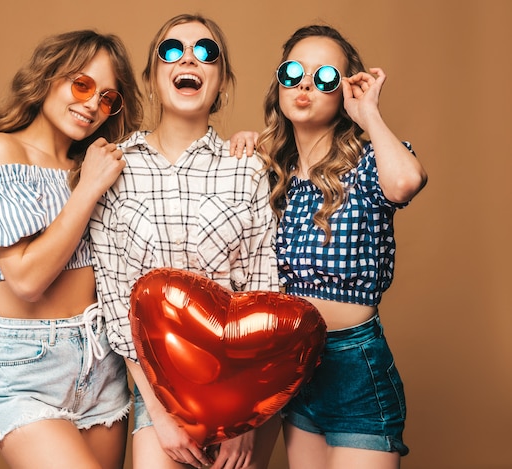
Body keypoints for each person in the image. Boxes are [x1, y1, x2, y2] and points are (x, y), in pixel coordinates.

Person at [89, 14, 282, 469]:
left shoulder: (248, 169)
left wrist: (246, 420)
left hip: (241, 390)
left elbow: (267, 295)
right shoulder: (115, 169)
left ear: (221, 83)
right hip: (159, 396)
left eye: (206, 52)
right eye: (171, 50)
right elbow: (117, 305)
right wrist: (157, 414)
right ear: (153, 78)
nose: (189, 58)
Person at [0, 29, 142, 469]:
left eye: (107, 98)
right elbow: (26, 280)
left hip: (103, 362)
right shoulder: (2, 151)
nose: (91, 105)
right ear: (49, 77)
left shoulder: (96, 163)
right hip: (28, 368)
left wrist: (246, 144)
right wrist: (87, 190)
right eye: (81, 85)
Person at [252, 24, 428, 468]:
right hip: (292, 363)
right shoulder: (272, 174)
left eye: (325, 77)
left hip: (354, 365)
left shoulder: (367, 164)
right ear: (278, 85)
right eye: (293, 72)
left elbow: (406, 183)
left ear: (343, 93)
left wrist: (368, 113)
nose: (306, 84)